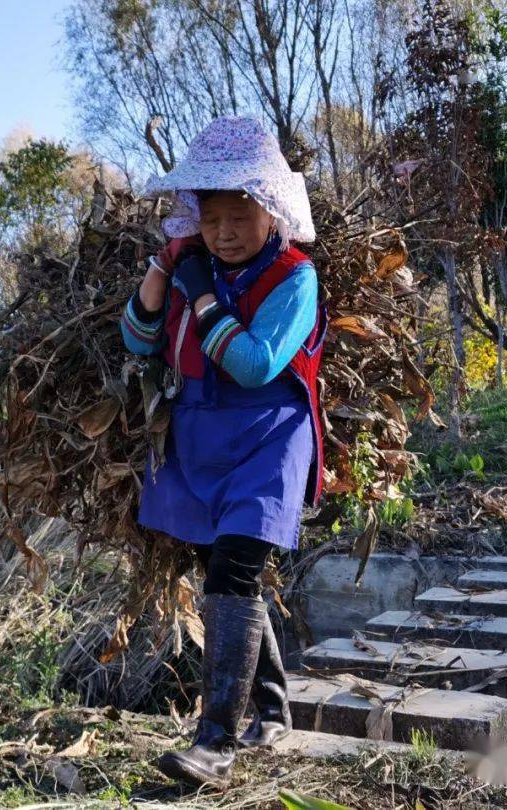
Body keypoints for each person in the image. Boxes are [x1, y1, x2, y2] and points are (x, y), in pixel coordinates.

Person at [120, 117, 326, 789]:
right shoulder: (191, 265)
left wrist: (203, 294)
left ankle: (216, 745)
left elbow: (252, 362)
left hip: (268, 439)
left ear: (271, 212)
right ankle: (272, 709)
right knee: (222, 572)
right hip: (201, 440)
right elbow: (139, 339)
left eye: (240, 214)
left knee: (233, 575)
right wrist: (165, 266)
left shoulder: (296, 278)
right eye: (210, 218)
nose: (225, 230)